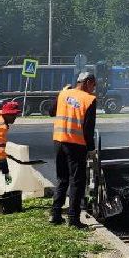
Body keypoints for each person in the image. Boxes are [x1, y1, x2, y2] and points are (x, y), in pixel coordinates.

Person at [50, 71, 97, 228]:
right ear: (87, 82)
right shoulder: (89, 99)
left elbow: (51, 112)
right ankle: (73, 219)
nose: (94, 88)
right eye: (93, 85)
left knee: (62, 178)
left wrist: (61, 95)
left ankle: (55, 214)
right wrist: (91, 149)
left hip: (58, 141)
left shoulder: (64, 93)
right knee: (77, 181)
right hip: (75, 145)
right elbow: (88, 129)